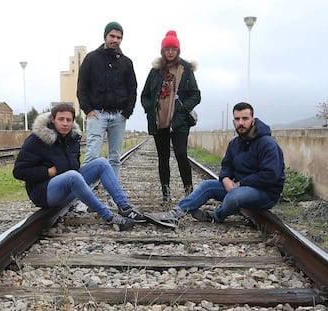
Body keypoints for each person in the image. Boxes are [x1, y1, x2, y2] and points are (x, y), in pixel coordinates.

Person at [145, 102, 286, 228]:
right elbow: (227, 166)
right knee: (207, 186)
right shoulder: (235, 143)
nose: (241, 123)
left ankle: (215, 216)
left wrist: (240, 184)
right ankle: (174, 214)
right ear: (233, 121)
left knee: (234, 196)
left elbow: (270, 175)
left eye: (245, 119)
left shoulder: (267, 144)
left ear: (253, 120)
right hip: (238, 188)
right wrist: (225, 179)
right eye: (237, 119)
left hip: (264, 193)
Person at [13, 103, 146, 231]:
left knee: (102, 163)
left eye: (68, 120)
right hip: (43, 193)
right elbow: (19, 171)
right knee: (73, 176)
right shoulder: (37, 140)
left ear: (72, 121)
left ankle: (125, 208)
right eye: (61, 119)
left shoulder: (73, 139)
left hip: (67, 188)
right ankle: (108, 216)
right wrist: (48, 172)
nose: (65, 123)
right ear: (53, 120)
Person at [141, 30, 201, 205]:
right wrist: (149, 109)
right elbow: (145, 94)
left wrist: (183, 109)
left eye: (173, 48)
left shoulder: (186, 70)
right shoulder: (155, 71)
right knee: (163, 157)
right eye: (167, 48)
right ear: (162, 51)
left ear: (178, 50)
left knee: (181, 154)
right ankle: (165, 195)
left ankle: (189, 193)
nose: (170, 52)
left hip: (179, 122)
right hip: (159, 122)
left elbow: (195, 95)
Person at [77, 21, 137, 179]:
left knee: (115, 158)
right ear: (105, 36)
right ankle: (86, 194)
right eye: (112, 36)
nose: (115, 40)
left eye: (119, 37)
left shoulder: (126, 62)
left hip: (118, 116)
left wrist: (127, 112)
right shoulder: (91, 59)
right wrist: (88, 110)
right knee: (92, 156)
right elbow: (82, 87)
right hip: (97, 114)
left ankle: (114, 195)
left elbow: (132, 89)